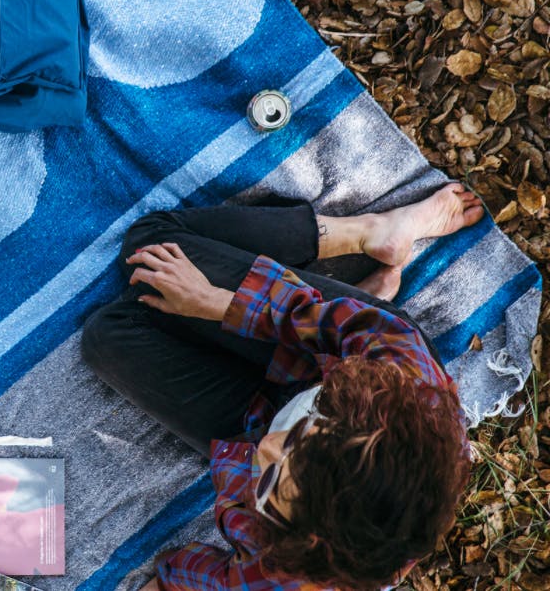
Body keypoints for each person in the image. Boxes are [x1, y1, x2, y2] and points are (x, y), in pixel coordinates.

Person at [80, 183, 483, 590]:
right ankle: (371, 232)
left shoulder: (290, 568)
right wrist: (219, 302)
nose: (267, 451)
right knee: (149, 244)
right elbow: (330, 322)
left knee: (105, 337)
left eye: (271, 481)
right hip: (325, 347)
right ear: (356, 403)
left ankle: (335, 307)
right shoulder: (402, 377)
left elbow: (199, 578)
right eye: (300, 436)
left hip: (251, 417)